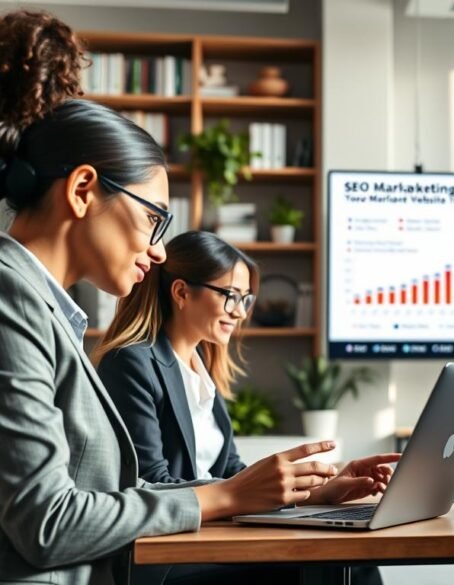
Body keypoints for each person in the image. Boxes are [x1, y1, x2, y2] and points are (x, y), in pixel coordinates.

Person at [0, 10, 389, 585]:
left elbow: (121, 491)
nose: (159, 250)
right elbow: (48, 522)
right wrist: (227, 496)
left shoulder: (46, 309)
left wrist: (301, 491)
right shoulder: (12, 299)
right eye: (152, 219)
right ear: (83, 191)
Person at [94, 231, 396, 583]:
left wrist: (318, 491)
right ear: (181, 292)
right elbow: (150, 484)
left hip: (211, 537)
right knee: (338, 564)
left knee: (351, 557)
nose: (239, 312)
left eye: (245, 299)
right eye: (230, 296)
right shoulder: (132, 362)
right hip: (168, 556)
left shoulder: (202, 365)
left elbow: (231, 471)